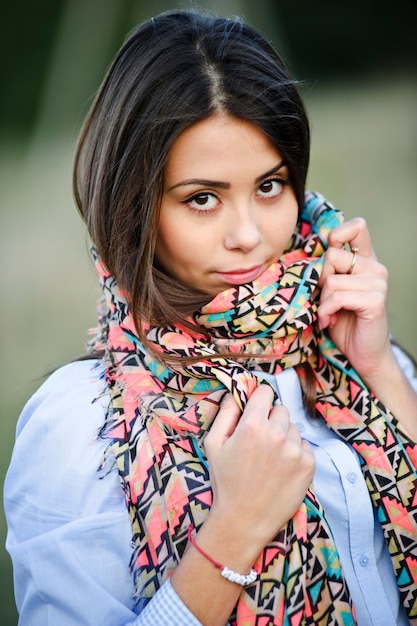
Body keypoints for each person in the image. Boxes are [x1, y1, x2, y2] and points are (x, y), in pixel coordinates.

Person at [4, 8, 417, 626]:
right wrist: (232, 533)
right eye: (202, 199)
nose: (249, 236)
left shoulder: (352, 353)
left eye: (270, 186)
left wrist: (380, 368)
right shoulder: (80, 429)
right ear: (136, 209)